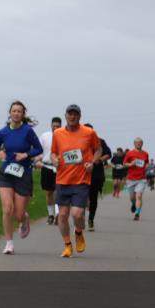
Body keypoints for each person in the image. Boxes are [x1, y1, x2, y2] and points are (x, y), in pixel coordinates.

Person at [0, 101, 44, 254]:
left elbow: (39, 149)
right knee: (7, 209)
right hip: (6, 174)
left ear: (23, 114)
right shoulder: (3, 132)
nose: (16, 113)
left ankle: (24, 219)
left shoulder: (28, 131)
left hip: (23, 174)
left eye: (19, 111)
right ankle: (9, 243)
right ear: (10, 113)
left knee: (18, 214)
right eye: (14, 111)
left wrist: (26, 154)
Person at [49, 104, 102, 258]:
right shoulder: (58, 133)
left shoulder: (89, 132)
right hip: (62, 179)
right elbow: (53, 153)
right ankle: (67, 245)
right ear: (65, 116)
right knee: (63, 215)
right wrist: (54, 161)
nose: (72, 117)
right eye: (70, 114)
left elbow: (98, 149)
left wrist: (92, 162)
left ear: (80, 116)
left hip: (81, 179)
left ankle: (78, 232)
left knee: (78, 214)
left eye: (75, 114)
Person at [84, 123, 112, 232]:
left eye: (90, 130)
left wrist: (99, 160)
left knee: (93, 198)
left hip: (96, 174)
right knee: (81, 196)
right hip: (81, 173)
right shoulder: (78, 140)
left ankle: (91, 219)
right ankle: (81, 216)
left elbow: (109, 154)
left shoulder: (100, 141)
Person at [35, 116, 62, 225]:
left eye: (58, 126)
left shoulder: (64, 136)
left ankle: (57, 213)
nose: (55, 128)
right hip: (46, 166)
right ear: (51, 125)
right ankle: (50, 214)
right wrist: (37, 159)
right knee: (49, 192)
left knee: (57, 191)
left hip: (59, 167)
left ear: (61, 126)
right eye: (54, 126)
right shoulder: (45, 136)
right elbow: (39, 150)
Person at [123, 138, 151, 220]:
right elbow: (124, 164)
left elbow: (147, 163)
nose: (138, 144)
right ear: (134, 143)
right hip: (131, 179)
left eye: (140, 143)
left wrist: (147, 166)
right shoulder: (129, 153)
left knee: (139, 196)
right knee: (132, 198)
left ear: (142, 144)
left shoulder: (145, 154)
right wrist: (131, 164)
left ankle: (137, 214)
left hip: (141, 179)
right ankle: (133, 204)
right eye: (137, 143)